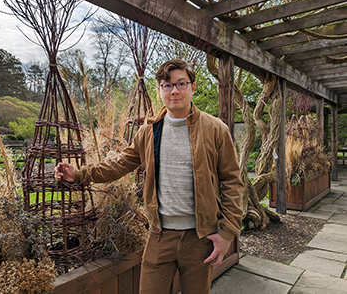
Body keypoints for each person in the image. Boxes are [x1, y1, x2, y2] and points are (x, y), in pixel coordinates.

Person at [55, 59, 244, 294]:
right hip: (159, 236)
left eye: (181, 84)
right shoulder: (148, 131)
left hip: (201, 237)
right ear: (159, 91)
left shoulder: (216, 129)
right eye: (167, 85)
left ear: (192, 87)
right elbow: (121, 163)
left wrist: (226, 233)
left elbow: (232, 183)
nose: (174, 90)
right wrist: (81, 174)